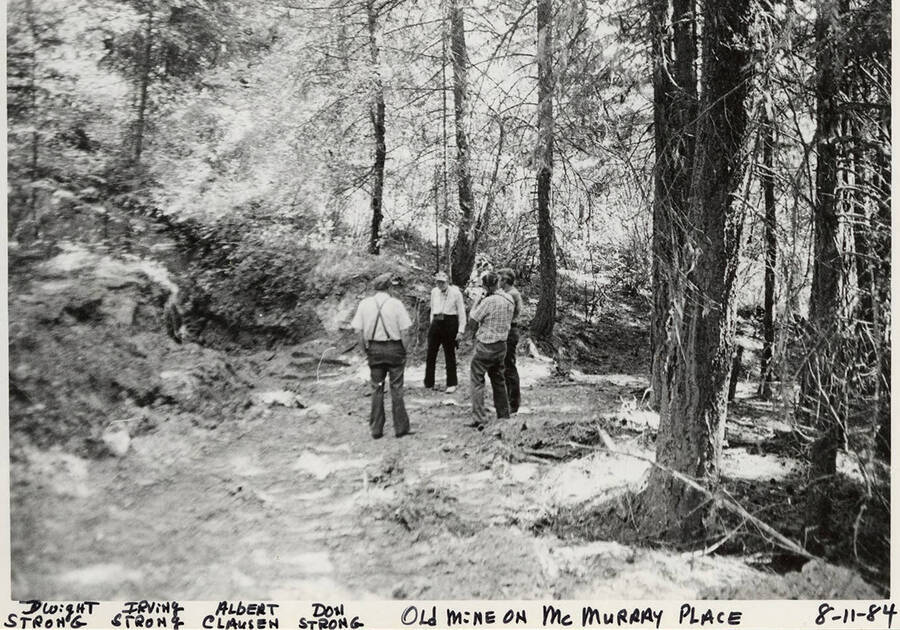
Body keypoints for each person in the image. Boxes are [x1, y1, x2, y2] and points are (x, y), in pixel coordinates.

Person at [350, 272, 412, 439]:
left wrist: (366, 350)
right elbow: (405, 331)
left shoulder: (364, 304)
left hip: (374, 350)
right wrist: (403, 350)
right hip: (394, 349)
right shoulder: (396, 304)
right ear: (389, 287)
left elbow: (358, 331)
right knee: (397, 388)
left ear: (374, 288)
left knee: (376, 389)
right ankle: (400, 428)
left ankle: (376, 428)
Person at [466, 271, 515, 429]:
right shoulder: (509, 299)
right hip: (502, 345)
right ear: (498, 282)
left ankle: (479, 417)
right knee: (499, 380)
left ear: (486, 286)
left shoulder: (488, 302)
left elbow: (472, 321)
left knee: (477, 380)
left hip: (486, 345)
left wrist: (476, 302)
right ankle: (504, 415)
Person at [424, 270, 466, 393]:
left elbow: (461, 312)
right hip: (436, 321)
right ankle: (429, 382)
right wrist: (432, 323)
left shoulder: (456, 293)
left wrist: (461, 330)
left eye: (442, 282)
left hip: (450, 322)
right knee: (431, 353)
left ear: (448, 282)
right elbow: (432, 309)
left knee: (449, 354)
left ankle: (451, 383)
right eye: (438, 282)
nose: (440, 284)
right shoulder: (434, 292)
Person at [497, 268, 523, 414]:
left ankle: (513, 403)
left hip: (509, 331)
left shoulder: (511, 294)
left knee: (509, 366)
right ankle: (508, 400)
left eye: (500, 279)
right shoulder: (507, 293)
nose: (498, 281)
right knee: (505, 366)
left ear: (505, 281)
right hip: (506, 330)